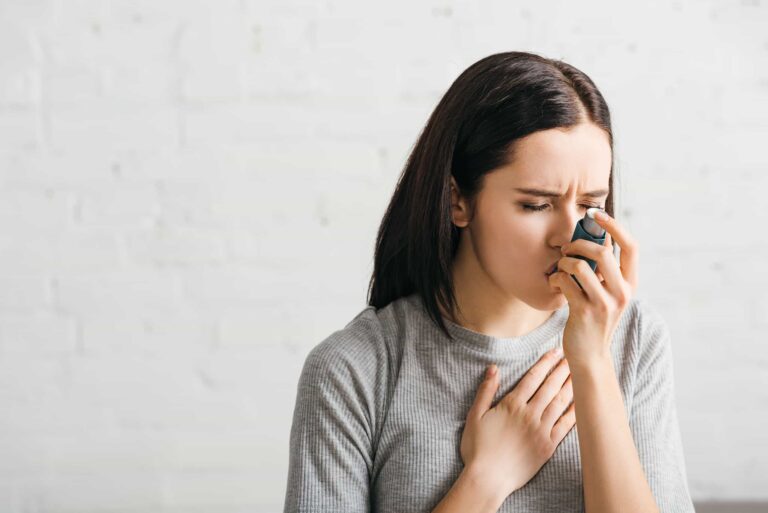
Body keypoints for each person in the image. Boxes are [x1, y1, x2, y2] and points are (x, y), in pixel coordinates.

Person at [283, 51, 695, 513]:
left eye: (590, 205)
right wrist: (485, 479)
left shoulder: (635, 340)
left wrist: (594, 363)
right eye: (536, 205)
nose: (568, 235)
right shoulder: (353, 370)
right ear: (458, 200)